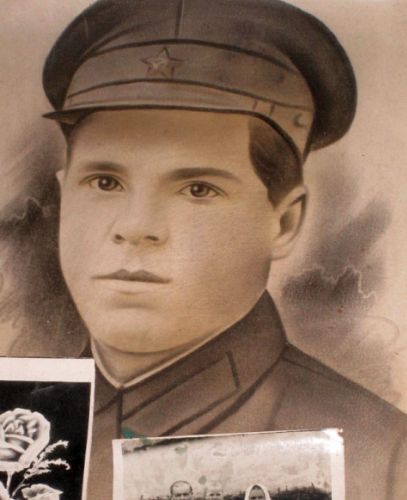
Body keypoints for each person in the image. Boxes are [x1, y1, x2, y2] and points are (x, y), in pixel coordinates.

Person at [3, 0, 406, 499]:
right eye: (105, 181)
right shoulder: (19, 417)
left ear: (283, 222)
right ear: (65, 195)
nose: (135, 227)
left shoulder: (387, 457)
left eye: (198, 189)